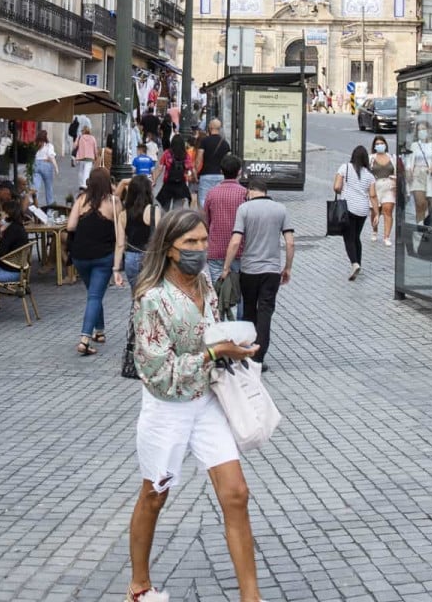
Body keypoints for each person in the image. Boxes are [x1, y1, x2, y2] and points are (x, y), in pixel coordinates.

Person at [125, 210, 263, 602]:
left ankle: (251, 598)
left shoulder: (205, 283)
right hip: (166, 408)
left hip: (206, 402)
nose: (200, 250)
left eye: (204, 241)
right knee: (155, 494)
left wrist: (230, 347)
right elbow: (156, 371)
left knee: (236, 493)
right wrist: (214, 350)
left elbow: (214, 331)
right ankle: (138, 586)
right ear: (169, 249)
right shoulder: (152, 299)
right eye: (190, 243)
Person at [223, 177, 293, 371]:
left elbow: (236, 241)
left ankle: (248, 353)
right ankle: (259, 357)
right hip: (271, 270)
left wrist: (227, 267)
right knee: (266, 312)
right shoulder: (281, 209)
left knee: (249, 311)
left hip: (249, 270)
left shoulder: (244, 210)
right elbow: (290, 242)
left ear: (251, 191)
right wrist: (287, 267)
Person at [66, 169, 124, 356]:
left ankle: (99, 330)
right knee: (95, 296)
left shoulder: (81, 200)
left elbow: (71, 226)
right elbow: (119, 231)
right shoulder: (114, 203)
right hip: (103, 256)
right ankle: (85, 338)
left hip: (80, 255)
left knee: (93, 292)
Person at [201, 154, 247, 300]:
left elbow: (206, 221)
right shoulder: (245, 194)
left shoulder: (211, 193)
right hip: (240, 250)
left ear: (221, 171)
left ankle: (221, 320)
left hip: (216, 249)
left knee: (218, 292)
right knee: (239, 293)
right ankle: (240, 321)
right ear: (239, 171)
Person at [333, 146, 374, 280]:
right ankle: (359, 262)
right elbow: (373, 195)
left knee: (348, 237)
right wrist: (376, 213)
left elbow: (337, 187)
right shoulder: (369, 175)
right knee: (356, 236)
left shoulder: (344, 168)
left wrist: (343, 192)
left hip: (348, 208)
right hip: (362, 210)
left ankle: (355, 263)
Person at [113, 175, 157, 289]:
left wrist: (116, 269)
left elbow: (120, 244)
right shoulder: (153, 210)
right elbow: (160, 237)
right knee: (151, 296)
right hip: (150, 257)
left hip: (131, 257)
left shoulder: (123, 215)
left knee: (136, 295)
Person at [368, 137, 398, 247]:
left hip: (389, 186)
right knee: (375, 212)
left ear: (385, 144)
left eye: (382, 143)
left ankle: (386, 236)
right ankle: (375, 230)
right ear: (374, 146)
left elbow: (398, 171)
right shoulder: (371, 158)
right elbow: (366, 173)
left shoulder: (392, 158)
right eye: (377, 144)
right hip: (375, 187)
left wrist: (395, 180)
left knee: (388, 210)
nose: (380, 145)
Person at [406, 126, 432, 224]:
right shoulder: (414, 145)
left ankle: (425, 225)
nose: (421, 132)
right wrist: (409, 171)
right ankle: (419, 229)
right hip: (417, 175)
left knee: (429, 204)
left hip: (430, 176)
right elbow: (409, 161)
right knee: (420, 203)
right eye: (419, 130)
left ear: (428, 131)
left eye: (423, 129)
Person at [195, 119, 231, 204]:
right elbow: (228, 161)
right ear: (219, 128)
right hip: (220, 175)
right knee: (219, 200)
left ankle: (205, 216)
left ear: (210, 127)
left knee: (203, 200)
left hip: (206, 174)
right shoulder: (225, 144)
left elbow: (199, 159)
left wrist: (196, 173)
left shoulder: (204, 141)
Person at [156, 134, 194, 211]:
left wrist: (154, 180)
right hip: (180, 184)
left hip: (168, 184)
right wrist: (193, 177)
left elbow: (160, 169)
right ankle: (175, 222)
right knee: (177, 209)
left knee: (164, 208)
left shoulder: (167, 153)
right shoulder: (186, 155)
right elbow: (190, 169)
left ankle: (165, 221)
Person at [71, 123, 99, 203]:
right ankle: (84, 185)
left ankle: (81, 184)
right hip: (90, 157)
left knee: (81, 171)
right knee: (87, 171)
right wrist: (96, 157)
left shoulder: (80, 137)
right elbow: (95, 148)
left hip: (81, 156)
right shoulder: (93, 138)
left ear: (83, 131)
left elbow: (75, 146)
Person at [32, 138, 58, 212]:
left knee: (35, 188)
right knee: (48, 188)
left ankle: (33, 207)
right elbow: (51, 156)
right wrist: (56, 167)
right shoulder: (49, 145)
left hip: (36, 164)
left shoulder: (36, 145)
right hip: (46, 165)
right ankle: (50, 209)